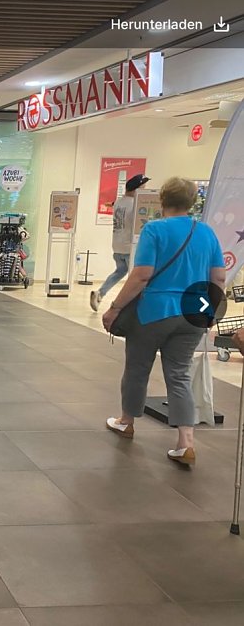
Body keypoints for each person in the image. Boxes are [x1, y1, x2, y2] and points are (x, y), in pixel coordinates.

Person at [102, 177, 225, 466]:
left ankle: (127, 421)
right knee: (180, 374)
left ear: (162, 201)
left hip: (155, 311)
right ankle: (185, 442)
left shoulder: (155, 229)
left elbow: (142, 275)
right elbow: (218, 278)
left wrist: (114, 308)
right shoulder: (206, 233)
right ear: (192, 201)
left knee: (137, 367)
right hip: (193, 311)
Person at [90, 174, 149, 311]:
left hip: (117, 245)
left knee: (120, 271)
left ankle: (100, 293)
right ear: (136, 189)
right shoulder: (135, 204)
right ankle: (126, 304)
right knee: (135, 277)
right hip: (130, 247)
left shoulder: (119, 202)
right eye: (143, 188)